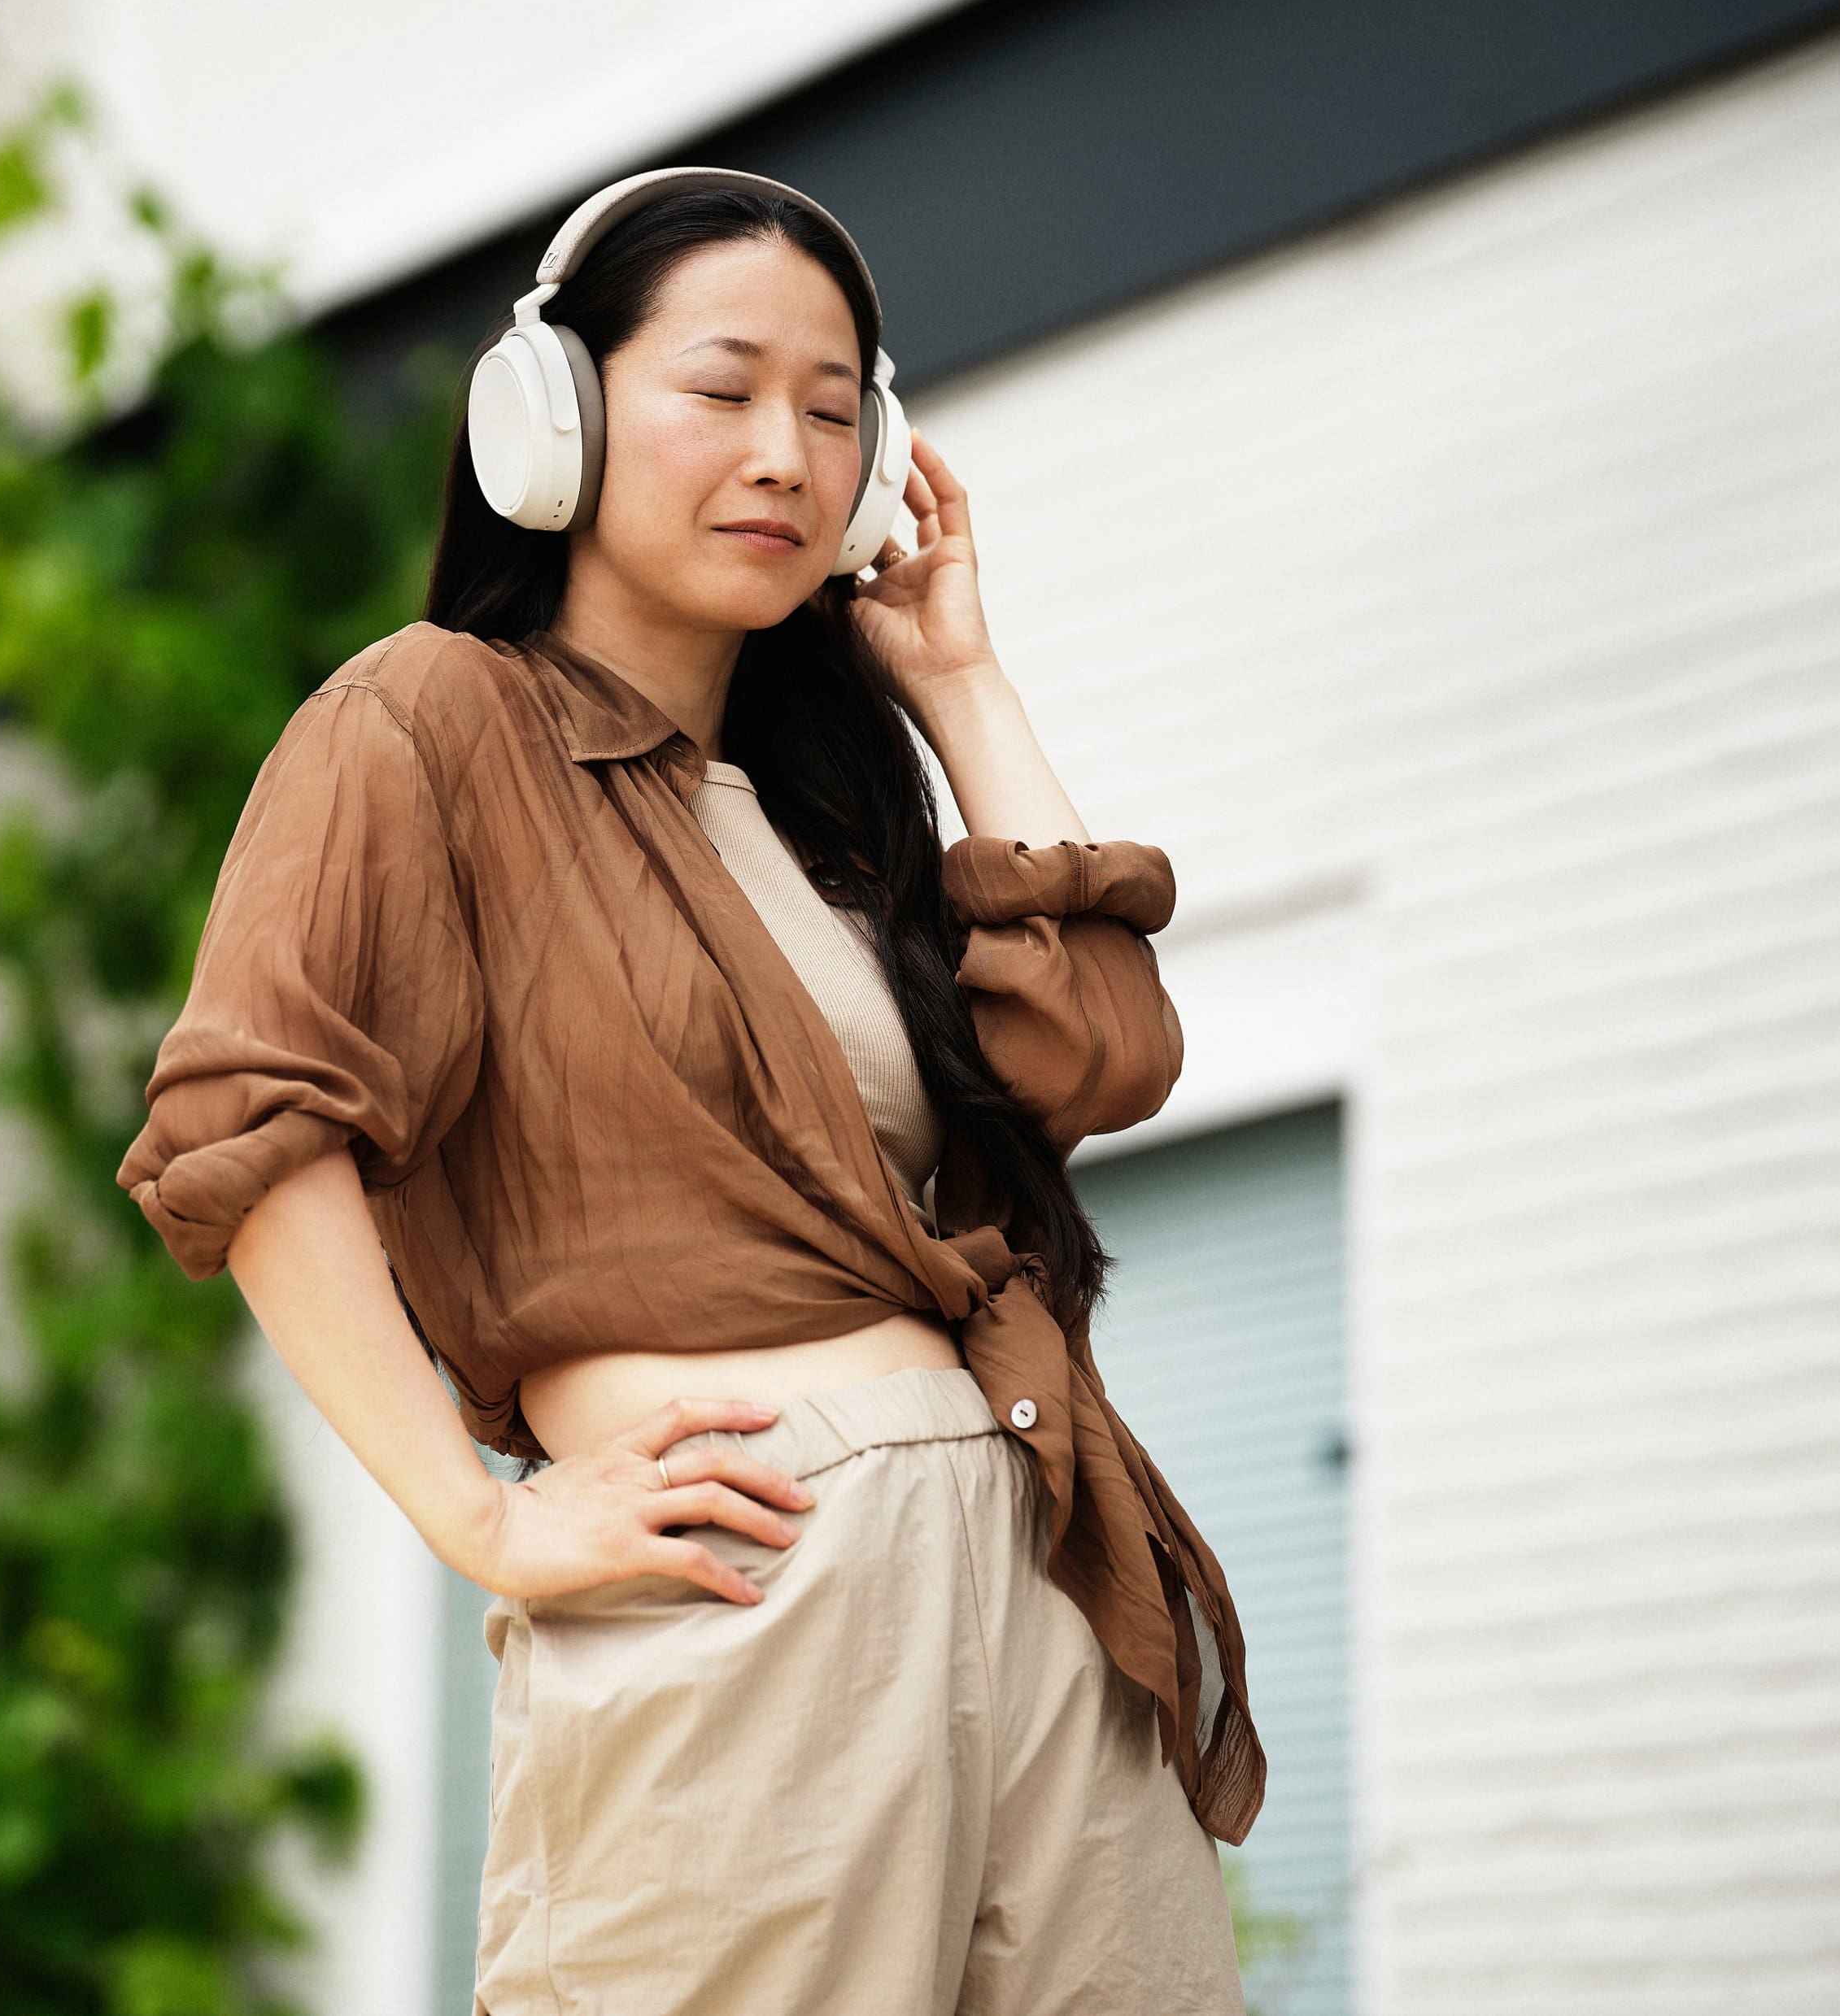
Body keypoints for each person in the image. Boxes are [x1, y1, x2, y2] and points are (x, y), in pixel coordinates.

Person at [117, 168, 1262, 2012]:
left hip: (1032, 1570)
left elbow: (1098, 1052)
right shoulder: (427, 720)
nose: (784, 455)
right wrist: (480, 1516)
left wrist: (958, 689)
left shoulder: (827, 815)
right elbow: (244, 1141)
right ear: (550, 417)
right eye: (721, 391)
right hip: (756, 1581)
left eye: (833, 409)